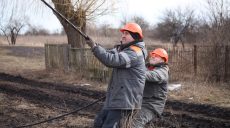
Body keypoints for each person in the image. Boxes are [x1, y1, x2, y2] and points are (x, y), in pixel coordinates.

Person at [85, 23, 147, 128]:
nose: (123, 35)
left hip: (125, 101)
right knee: (98, 122)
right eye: (123, 33)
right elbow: (108, 53)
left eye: (126, 33)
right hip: (117, 98)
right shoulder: (124, 49)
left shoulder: (134, 53)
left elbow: (111, 60)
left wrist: (94, 47)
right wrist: (96, 45)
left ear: (135, 37)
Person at [132, 48, 169, 128]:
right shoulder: (146, 67)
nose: (152, 56)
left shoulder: (163, 71)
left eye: (156, 56)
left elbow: (152, 76)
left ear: (163, 60)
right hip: (139, 102)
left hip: (151, 105)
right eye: (152, 54)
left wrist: (136, 72)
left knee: (135, 124)